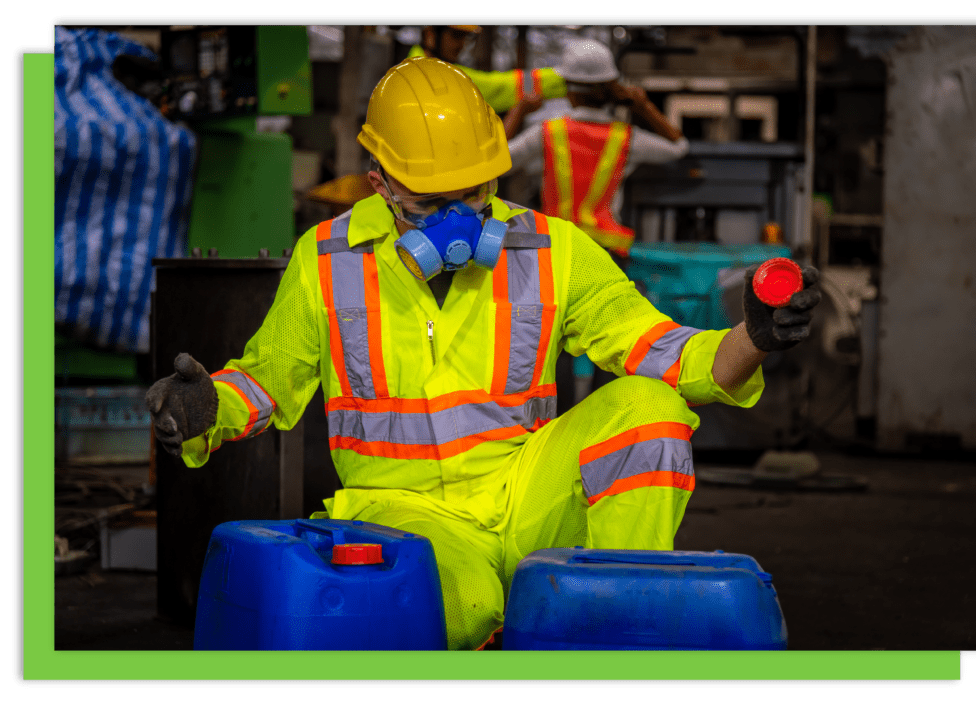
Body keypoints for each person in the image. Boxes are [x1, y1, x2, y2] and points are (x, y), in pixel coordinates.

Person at [145, 57, 821, 651]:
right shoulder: (326, 261)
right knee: (450, 610)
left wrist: (751, 337)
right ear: (379, 181)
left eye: (475, 193)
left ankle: (617, 629)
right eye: (433, 202)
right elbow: (269, 381)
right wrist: (209, 407)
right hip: (407, 516)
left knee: (649, 408)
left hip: (527, 493)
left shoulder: (551, 251)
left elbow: (674, 358)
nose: (462, 221)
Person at [507, 38, 689, 258]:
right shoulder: (626, 138)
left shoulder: (547, 132)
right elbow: (679, 146)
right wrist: (644, 106)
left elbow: (499, 162)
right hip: (607, 251)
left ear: (569, 90)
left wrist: (518, 110)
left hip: (559, 248)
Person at [409, 24, 566, 116]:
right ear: (430, 34)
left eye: (466, 37)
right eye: (456, 36)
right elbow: (497, 87)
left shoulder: (414, 65)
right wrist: (565, 78)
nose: (462, 44)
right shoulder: (433, 73)